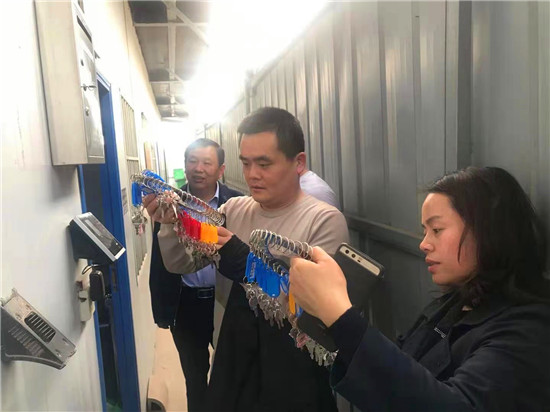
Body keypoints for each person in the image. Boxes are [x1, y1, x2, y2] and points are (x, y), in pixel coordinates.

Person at [289, 166, 550, 412]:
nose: (424, 244)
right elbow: (402, 371)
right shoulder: (454, 304)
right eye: (425, 231)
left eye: (437, 230)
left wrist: (339, 315)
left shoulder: (527, 330)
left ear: (488, 231)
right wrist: (335, 327)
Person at [145, 107, 349, 412]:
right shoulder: (233, 211)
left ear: (298, 163)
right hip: (233, 365)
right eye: (246, 163)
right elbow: (183, 264)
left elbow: (319, 313)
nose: (252, 174)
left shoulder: (324, 221)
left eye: (264, 164)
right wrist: (172, 224)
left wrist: (245, 262)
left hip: (294, 376)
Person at [148, 138, 242, 412]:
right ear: (185, 165)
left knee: (232, 375)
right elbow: (161, 258)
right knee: (195, 378)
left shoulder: (237, 204)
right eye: (192, 161)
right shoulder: (169, 204)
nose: (198, 168)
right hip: (186, 305)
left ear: (221, 169)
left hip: (226, 303)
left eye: (206, 163)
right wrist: (162, 310)